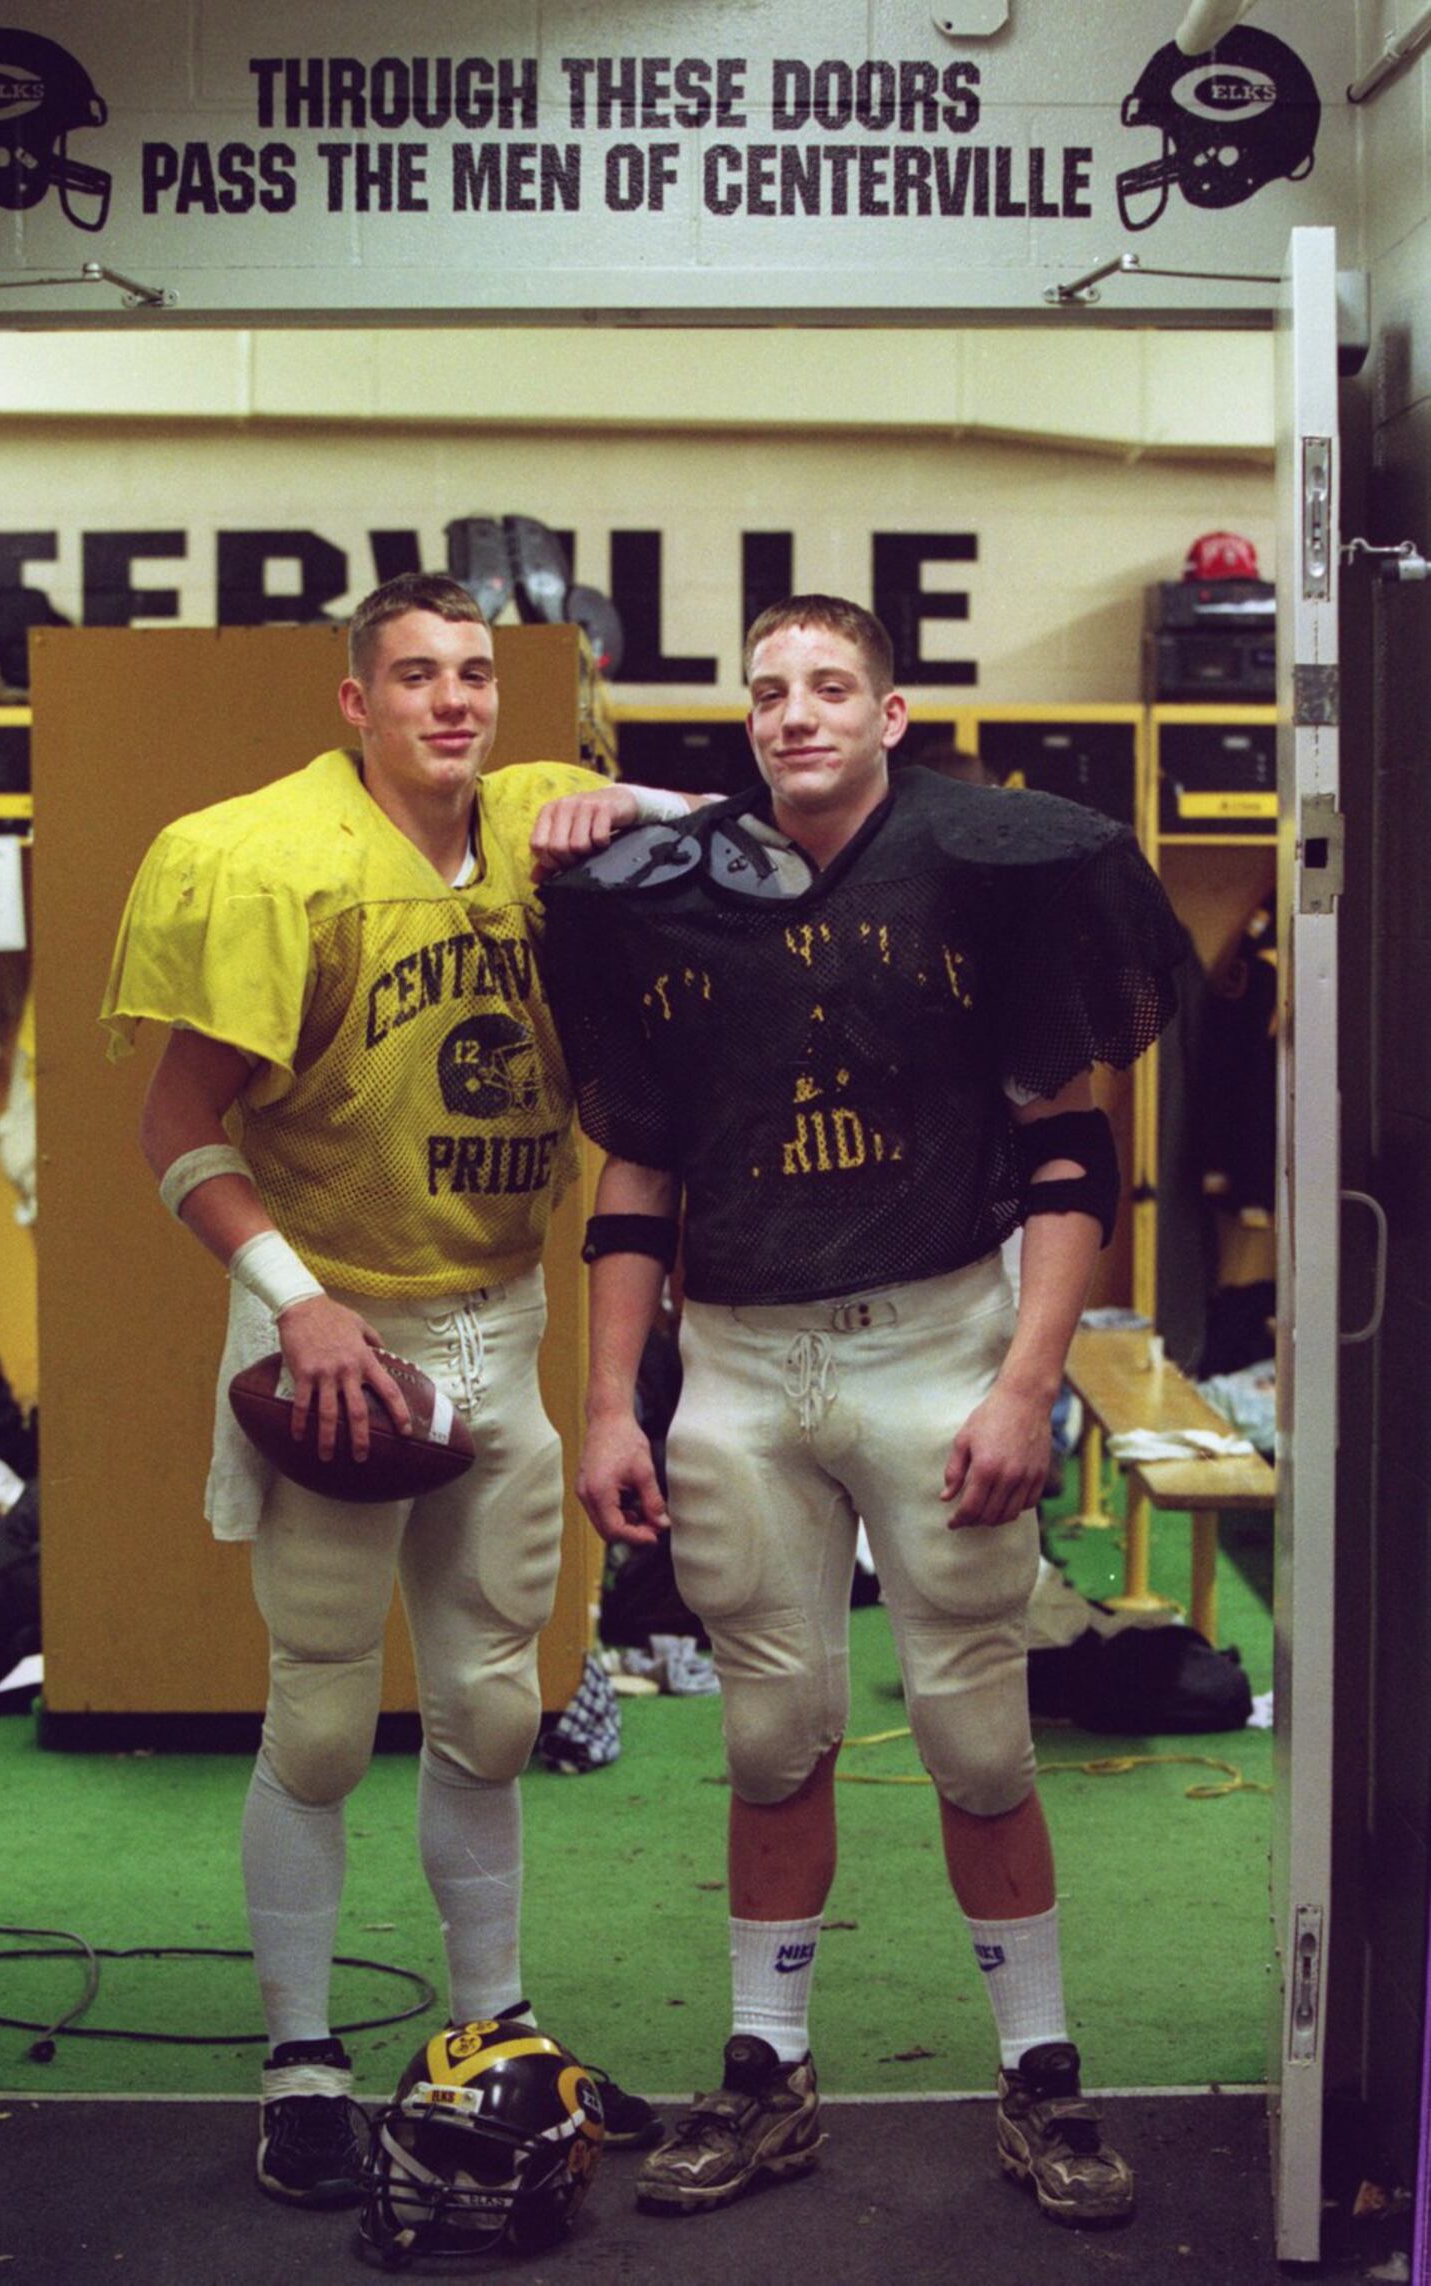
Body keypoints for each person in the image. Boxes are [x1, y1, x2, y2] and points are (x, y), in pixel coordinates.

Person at [538, 594, 1189, 2231]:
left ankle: (1040, 2074)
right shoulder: (675, 896)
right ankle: (769, 2074)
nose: (796, 713)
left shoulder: (989, 872)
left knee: (977, 1730)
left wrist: (1032, 1378)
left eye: (831, 686)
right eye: (768, 692)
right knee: (768, 1735)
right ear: (743, 723)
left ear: (891, 713)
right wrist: (611, 1402)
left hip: (936, 1338)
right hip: (744, 1356)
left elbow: (1069, 1144)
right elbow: (639, 1164)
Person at [100, 572, 695, 2210]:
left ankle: (488, 2024)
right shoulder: (263, 853)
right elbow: (175, 1127)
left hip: (498, 1320)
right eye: (417, 675)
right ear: (353, 701)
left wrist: (628, 809)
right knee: (315, 1713)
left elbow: (720, 816)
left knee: (495, 1706)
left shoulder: (524, 822)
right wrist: (293, 1306)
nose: (454, 700)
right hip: (338, 1328)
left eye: (478, 675)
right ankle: (301, 2049)